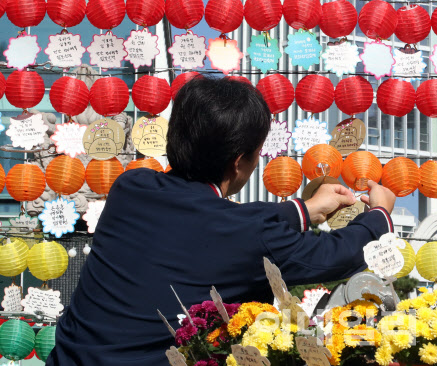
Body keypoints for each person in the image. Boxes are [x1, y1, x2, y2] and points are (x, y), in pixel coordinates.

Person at [47, 77, 396, 365]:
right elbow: (334, 254)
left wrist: (303, 210)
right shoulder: (248, 234)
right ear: (239, 161)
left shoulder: (131, 186)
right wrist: (379, 215)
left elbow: (216, 224)